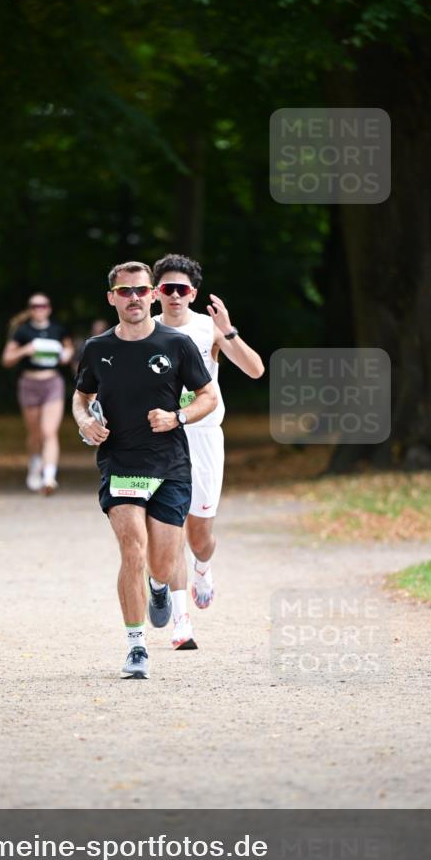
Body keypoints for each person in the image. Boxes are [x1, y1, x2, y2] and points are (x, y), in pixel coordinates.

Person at [73, 261, 217, 679]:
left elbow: (207, 395)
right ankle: (136, 647)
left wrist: (179, 417)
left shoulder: (177, 344)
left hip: (170, 465)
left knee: (161, 561)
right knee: (132, 549)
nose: (133, 298)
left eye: (140, 291)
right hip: (121, 462)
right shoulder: (98, 347)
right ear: (112, 297)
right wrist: (84, 422)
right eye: (124, 291)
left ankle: (159, 586)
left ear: (152, 295)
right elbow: (81, 397)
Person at [154, 253, 264, 650]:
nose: (175, 296)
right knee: (166, 532)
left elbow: (255, 370)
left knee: (199, 537)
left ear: (193, 294)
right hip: (159, 440)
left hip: (202, 438)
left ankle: (203, 567)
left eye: (182, 289)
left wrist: (229, 331)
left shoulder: (207, 329)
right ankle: (181, 622)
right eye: (167, 288)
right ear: (156, 293)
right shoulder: (144, 331)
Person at [1, 293, 74, 494]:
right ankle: (35, 465)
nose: (39, 309)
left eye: (43, 305)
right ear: (30, 309)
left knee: (49, 432)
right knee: (35, 433)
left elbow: (69, 352)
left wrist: (66, 355)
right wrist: (25, 350)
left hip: (52, 383)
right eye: (34, 306)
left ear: (49, 308)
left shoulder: (58, 329)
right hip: (29, 383)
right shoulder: (22, 331)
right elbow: (6, 359)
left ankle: (49, 477)